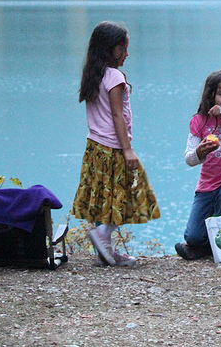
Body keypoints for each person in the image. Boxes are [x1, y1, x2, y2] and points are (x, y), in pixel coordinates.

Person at [72, 21, 161, 267]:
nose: (126, 54)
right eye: (123, 49)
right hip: (113, 147)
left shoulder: (94, 73)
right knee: (128, 195)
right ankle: (102, 235)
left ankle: (106, 250)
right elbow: (116, 116)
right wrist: (127, 149)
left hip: (94, 147)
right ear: (110, 48)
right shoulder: (114, 76)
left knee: (107, 198)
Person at [175, 70, 221, 260]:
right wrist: (200, 152)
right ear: (211, 95)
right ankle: (202, 245)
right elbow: (189, 159)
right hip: (208, 184)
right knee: (192, 236)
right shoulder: (199, 120)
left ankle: (214, 244)